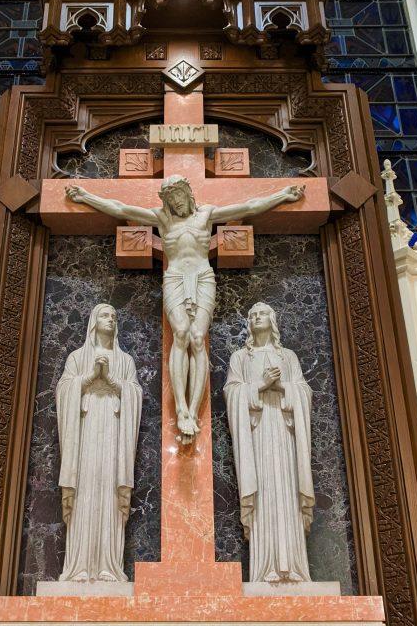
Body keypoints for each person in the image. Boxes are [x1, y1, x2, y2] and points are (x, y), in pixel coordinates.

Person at [66, 175, 304, 444]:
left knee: (197, 338)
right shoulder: (163, 220)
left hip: (203, 277)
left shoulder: (207, 215)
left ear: (188, 194)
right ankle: (180, 408)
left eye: (178, 197)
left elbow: (249, 207)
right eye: (171, 200)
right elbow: (121, 209)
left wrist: (283, 195)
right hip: (175, 277)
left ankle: (193, 410)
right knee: (180, 333)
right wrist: (85, 196)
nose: (176, 203)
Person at [224, 302, 314, 583]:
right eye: (252, 315)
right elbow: (232, 392)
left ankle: (295, 567)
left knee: (286, 491)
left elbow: (303, 391)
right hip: (258, 436)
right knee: (262, 492)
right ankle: (266, 568)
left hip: (284, 436)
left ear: (272, 320)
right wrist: (261, 385)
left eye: (261, 313)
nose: (256, 317)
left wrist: (282, 387)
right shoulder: (240, 358)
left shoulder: (288, 357)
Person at [56, 304, 142, 582]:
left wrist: (114, 382)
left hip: (113, 433)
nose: (111, 320)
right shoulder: (77, 357)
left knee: (108, 487)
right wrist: (90, 378)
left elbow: (134, 394)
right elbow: (64, 390)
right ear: (94, 322)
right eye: (105, 315)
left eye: (114, 317)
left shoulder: (125, 361)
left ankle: (108, 564)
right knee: (84, 488)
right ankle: (80, 566)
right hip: (86, 431)